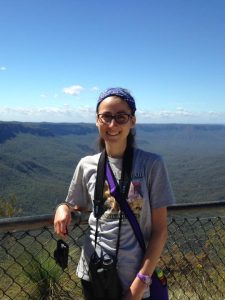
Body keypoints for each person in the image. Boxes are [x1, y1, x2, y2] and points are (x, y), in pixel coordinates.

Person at [54, 87, 175, 300]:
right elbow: (78, 205)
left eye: (121, 117)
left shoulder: (151, 165)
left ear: (133, 121)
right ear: (97, 120)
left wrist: (139, 286)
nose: (112, 124)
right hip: (93, 273)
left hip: (135, 279)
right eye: (106, 117)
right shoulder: (86, 165)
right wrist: (63, 208)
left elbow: (160, 231)